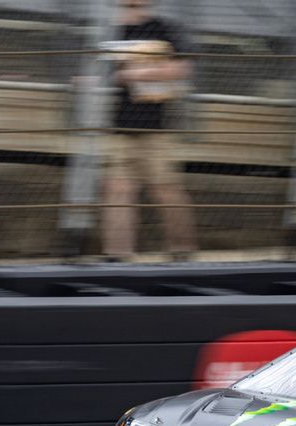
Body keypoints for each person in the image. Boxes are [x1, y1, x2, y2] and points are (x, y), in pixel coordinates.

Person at [102, 0, 196, 262]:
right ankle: (117, 255)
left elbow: (180, 69)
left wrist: (132, 75)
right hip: (118, 126)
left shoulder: (164, 28)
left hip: (156, 127)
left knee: (165, 188)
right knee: (117, 188)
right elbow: (99, 72)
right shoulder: (107, 31)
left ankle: (182, 252)